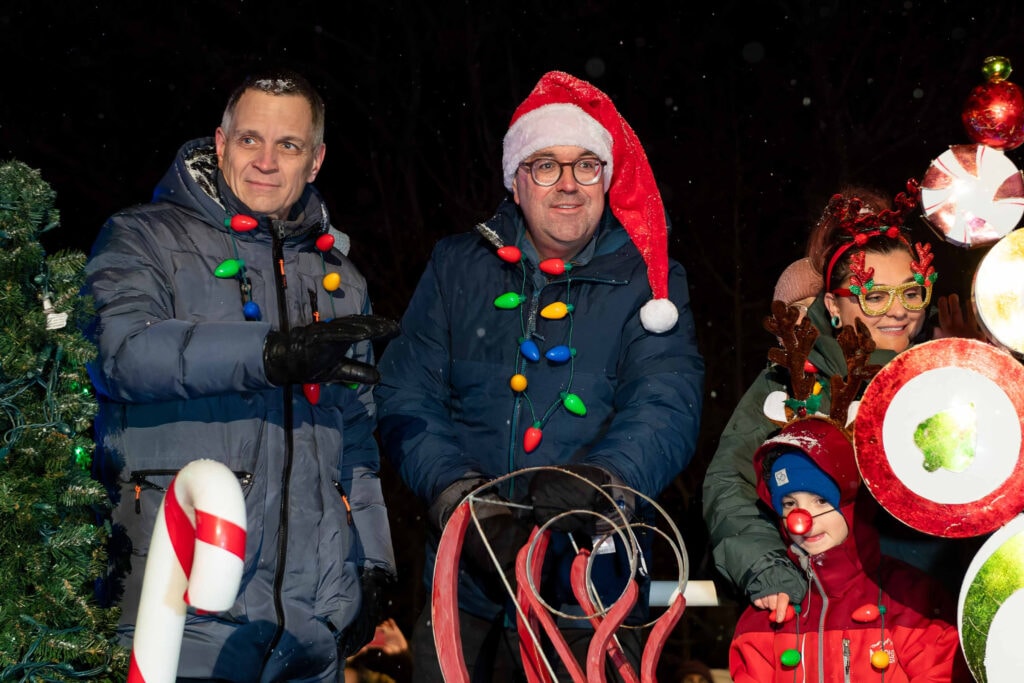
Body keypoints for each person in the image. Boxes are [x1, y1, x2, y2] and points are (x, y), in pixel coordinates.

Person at [375, 70, 704, 680]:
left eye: (586, 166)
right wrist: (456, 496)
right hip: (465, 589)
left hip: (590, 595)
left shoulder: (650, 281)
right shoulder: (456, 267)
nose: (568, 185)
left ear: (606, 178)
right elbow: (405, 391)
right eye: (545, 165)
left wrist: (605, 480)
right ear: (516, 180)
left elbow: (669, 399)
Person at [86, 69, 398, 681]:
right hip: (180, 601)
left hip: (311, 624)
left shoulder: (340, 277)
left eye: (289, 145)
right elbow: (120, 352)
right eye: (250, 139)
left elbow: (357, 439)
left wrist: (374, 564)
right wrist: (270, 353)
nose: (266, 161)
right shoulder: (142, 238)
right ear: (221, 143)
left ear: (315, 161)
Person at [702, 181, 963, 623]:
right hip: (831, 617)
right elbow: (730, 480)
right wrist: (766, 566)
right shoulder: (793, 378)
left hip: (938, 611)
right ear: (834, 306)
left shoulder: (954, 367)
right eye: (874, 296)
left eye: (912, 292)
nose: (898, 312)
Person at [729, 417, 962, 681]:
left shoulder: (909, 599)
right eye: (790, 503)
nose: (802, 520)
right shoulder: (767, 615)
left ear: (853, 505)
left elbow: (940, 672)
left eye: (820, 500)